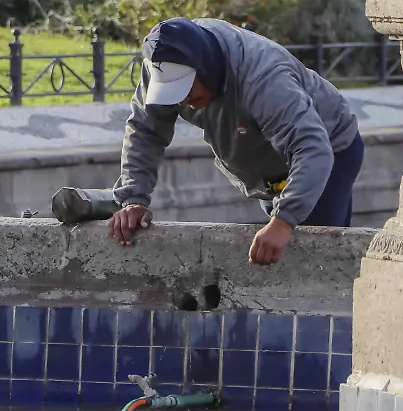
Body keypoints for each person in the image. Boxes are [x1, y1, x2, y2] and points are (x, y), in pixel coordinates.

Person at [109, 17, 364, 265]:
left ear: (205, 68)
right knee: (282, 256)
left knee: (316, 258)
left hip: (327, 148)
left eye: (186, 89)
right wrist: (133, 199)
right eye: (172, 94)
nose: (183, 101)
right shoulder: (159, 65)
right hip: (267, 160)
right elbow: (145, 131)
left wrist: (284, 220)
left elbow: (312, 149)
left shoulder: (263, 78)